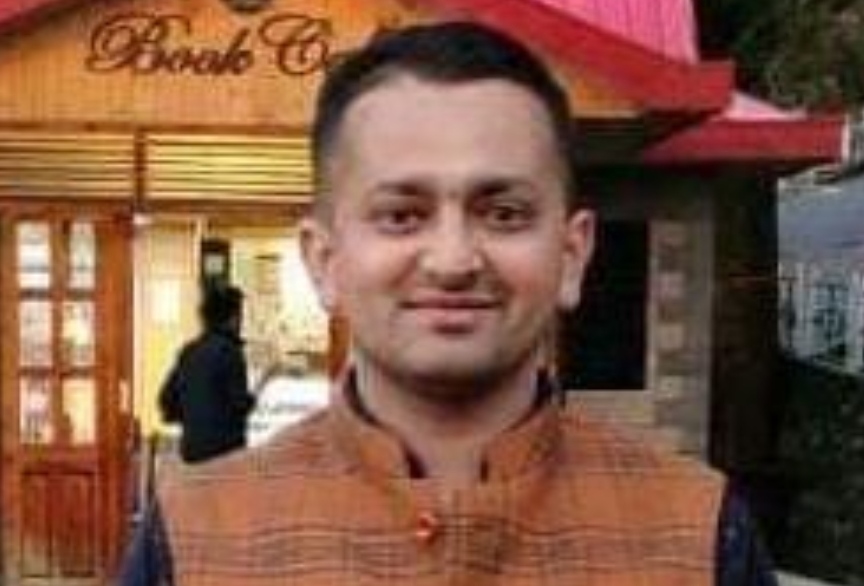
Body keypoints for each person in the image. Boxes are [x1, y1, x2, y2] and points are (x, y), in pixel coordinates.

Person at [120, 21, 777, 585]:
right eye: (402, 215)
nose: (454, 261)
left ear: (572, 253)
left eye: (504, 213)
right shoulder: (197, 539)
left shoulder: (696, 535)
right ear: (325, 260)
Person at [158, 284, 255, 463]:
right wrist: (253, 397)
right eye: (240, 315)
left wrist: (194, 414)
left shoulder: (189, 351)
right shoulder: (230, 351)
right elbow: (239, 404)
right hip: (225, 456)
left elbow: (166, 401)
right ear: (234, 318)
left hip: (192, 453)